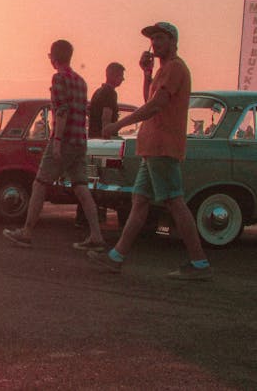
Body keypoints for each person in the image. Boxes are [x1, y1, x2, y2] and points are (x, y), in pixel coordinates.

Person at [87, 22, 212, 280]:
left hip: (162, 146)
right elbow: (150, 100)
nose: (154, 43)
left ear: (173, 42)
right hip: (152, 146)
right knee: (141, 202)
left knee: (174, 202)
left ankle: (200, 264)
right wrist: (146, 73)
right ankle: (116, 257)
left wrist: (119, 124)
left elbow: (157, 105)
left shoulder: (175, 67)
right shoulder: (164, 70)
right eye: (153, 39)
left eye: (160, 38)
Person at [3, 40, 105, 251]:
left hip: (64, 139)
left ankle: (27, 232)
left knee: (40, 184)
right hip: (80, 141)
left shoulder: (59, 78)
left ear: (54, 57)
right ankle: (96, 235)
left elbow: (62, 111)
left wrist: (57, 141)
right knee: (81, 188)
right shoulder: (81, 81)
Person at [75, 62, 125, 227]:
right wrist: (108, 141)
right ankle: (94, 218)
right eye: (121, 76)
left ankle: (83, 218)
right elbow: (106, 117)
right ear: (113, 75)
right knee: (103, 181)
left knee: (90, 180)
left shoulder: (98, 92)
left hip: (92, 141)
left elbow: (90, 114)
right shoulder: (111, 94)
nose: (123, 79)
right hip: (103, 141)